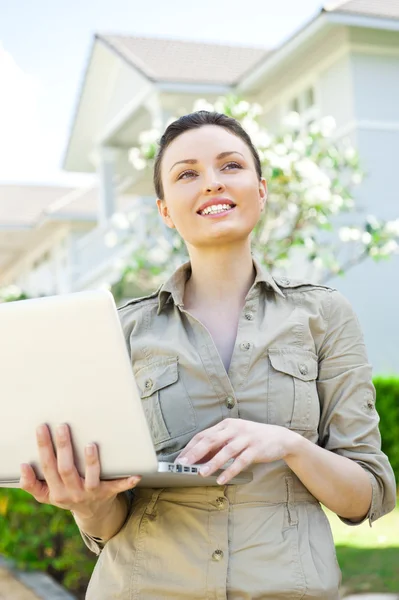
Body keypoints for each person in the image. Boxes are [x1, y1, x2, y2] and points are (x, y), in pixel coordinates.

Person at [20, 111, 396, 600]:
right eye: (187, 174)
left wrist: (288, 444)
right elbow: (110, 522)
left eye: (230, 166)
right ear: (164, 209)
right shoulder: (121, 330)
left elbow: (368, 493)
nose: (212, 184)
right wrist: (85, 502)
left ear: (260, 190)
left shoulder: (324, 314)